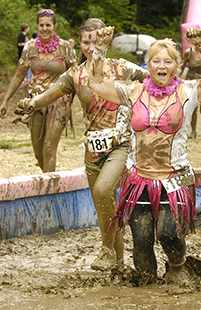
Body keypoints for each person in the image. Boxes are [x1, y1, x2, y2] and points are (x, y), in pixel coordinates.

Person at [86, 27, 201, 284]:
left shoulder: (188, 91)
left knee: (168, 234)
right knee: (141, 239)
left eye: (168, 61)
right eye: (156, 61)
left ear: (176, 66)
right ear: (147, 65)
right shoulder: (134, 91)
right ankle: (147, 284)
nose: (162, 66)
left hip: (176, 178)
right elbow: (95, 82)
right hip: (139, 177)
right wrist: (99, 51)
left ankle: (178, 265)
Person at [16, 18, 148, 272]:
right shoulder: (74, 75)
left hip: (121, 146)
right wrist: (31, 103)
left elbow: (153, 79)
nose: (91, 46)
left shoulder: (122, 68)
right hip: (93, 149)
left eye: (96, 40)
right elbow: (49, 94)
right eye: (86, 41)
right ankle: (118, 266)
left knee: (102, 191)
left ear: (105, 40)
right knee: (103, 207)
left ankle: (107, 250)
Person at [0, 9, 76, 173]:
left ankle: (49, 194)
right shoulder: (30, 47)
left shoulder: (65, 47)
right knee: (38, 151)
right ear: (37, 26)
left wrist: (82, 102)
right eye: (41, 25)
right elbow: (19, 75)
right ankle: (48, 179)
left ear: (54, 26)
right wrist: (5, 100)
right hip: (35, 103)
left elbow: (76, 76)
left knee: (49, 148)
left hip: (58, 103)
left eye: (48, 25)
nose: (45, 28)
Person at [180, 41, 201, 138]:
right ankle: (193, 131)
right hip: (191, 82)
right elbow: (181, 66)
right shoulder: (188, 53)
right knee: (192, 108)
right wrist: (177, 78)